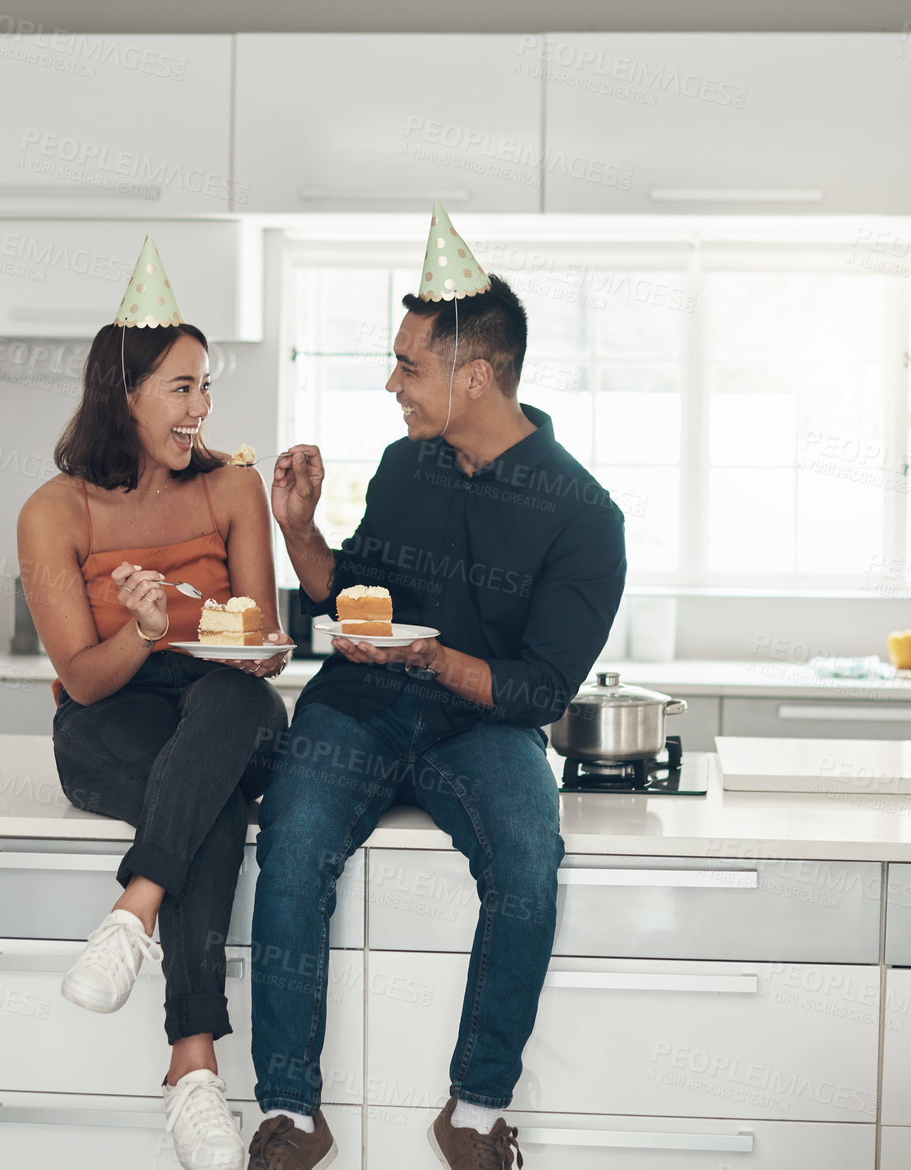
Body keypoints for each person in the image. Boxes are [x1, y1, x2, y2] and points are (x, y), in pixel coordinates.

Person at [245, 206, 627, 1170]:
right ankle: (291, 1110)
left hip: (483, 728)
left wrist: (434, 661)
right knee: (290, 848)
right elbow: (351, 596)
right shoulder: (404, 464)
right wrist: (298, 533)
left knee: (528, 865)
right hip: (359, 708)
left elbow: (540, 690)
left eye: (408, 365)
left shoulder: (585, 515)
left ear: (477, 375)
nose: (391, 382)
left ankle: (478, 1105)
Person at [17, 236, 291, 1170]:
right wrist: (139, 630)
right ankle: (193, 1067)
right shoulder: (55, 511)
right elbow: (84, 682)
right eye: (182, 387)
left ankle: (132, 913)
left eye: (205, 386)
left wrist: (246, 636)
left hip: (226, 698)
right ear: (123, 394)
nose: (202, 407)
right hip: (112, 713)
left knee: (222, 713)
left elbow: (258, 648)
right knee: (206, 801)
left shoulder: (233, 485)